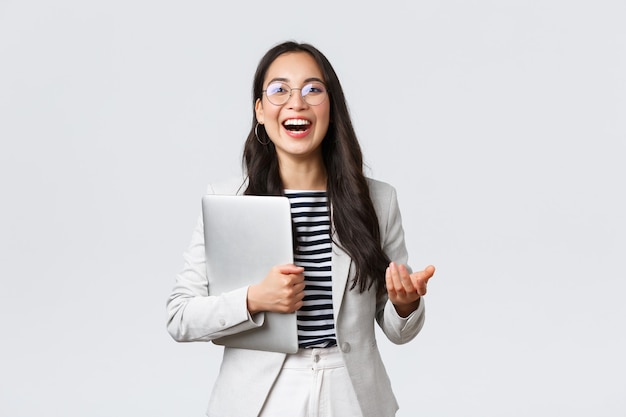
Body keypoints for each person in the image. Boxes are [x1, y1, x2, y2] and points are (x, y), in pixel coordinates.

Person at [166, 41, 436, 417]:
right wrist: (255, 299)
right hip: (261, 398)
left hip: (351, 392)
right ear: (260, 110)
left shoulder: (378, 200)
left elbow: (396, 330)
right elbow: (180, 317)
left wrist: (405, 304)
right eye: (279, 90)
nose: (297, 102)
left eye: (313, 89)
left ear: (331, 106)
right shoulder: (227, 199)